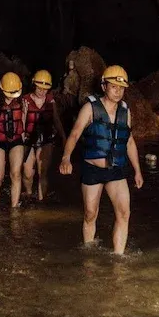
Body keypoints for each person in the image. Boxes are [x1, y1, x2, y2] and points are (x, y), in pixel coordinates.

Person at [59, 65, 144, 255]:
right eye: (114, 86)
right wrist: (66, 158)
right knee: (90, 214)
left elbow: (129, 140)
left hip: (116, 170)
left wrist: (137, 170)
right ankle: (89, 254)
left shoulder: (125, 111)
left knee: (124, 213)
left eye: (121, 87)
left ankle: (118, 257)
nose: (118, 91)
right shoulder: (90, 108)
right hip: (93, 169)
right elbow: (74, 134)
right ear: (104, 85)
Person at [0, 72, 28, 207]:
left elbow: (22, 119)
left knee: (16, 174)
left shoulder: (22, 101)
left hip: (16, 141)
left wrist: (23, 133)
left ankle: (14, 206)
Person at [22, 69, 66, 201]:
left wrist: (63, 137)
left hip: (45, 138)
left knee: (43, 172)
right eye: (39, 88)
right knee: (28, 172)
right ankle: (29, 194)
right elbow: (22, 120)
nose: (42, 91)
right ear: (34, 85)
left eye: (45, 89)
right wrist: (22, 135)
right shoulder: (25, 100)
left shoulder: (50, 101)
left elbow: (56, 120)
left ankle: (41, 201)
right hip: (29, 138)